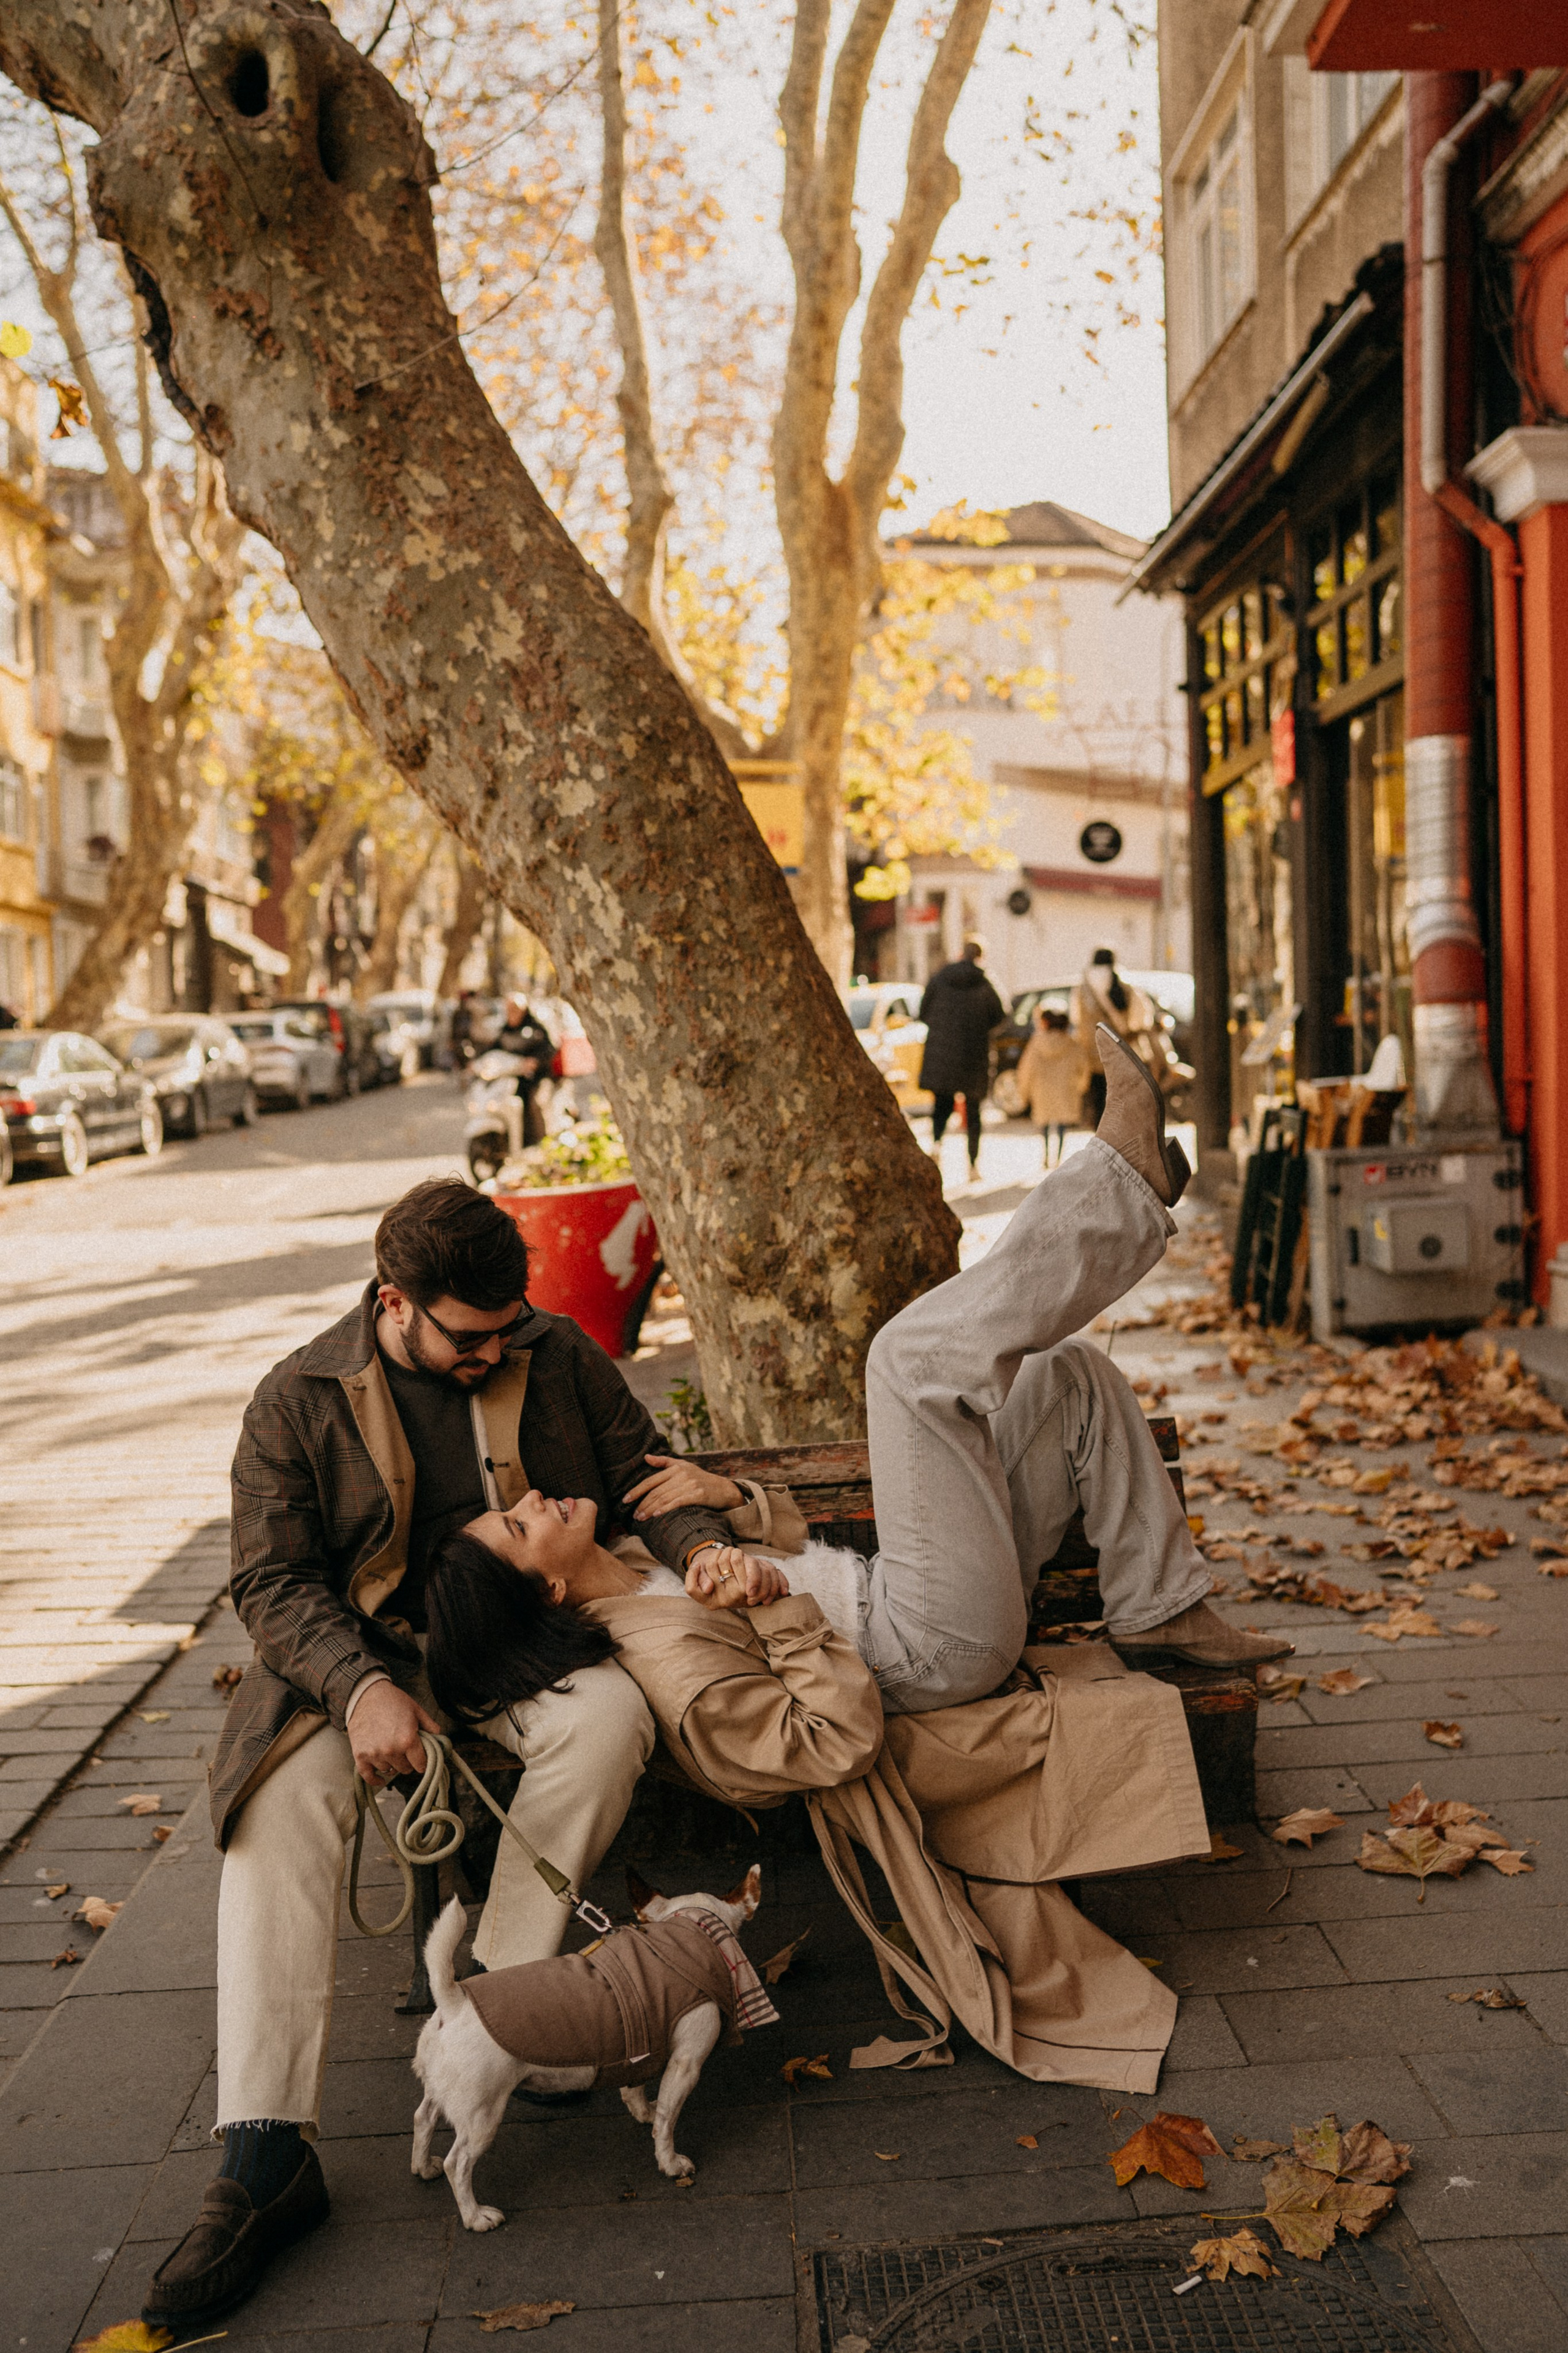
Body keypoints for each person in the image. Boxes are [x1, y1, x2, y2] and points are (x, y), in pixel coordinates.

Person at [422, 1031, 1294, 2088]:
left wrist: (733, 1506)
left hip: (913, 1597)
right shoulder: (664, 1667)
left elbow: (794, 1544)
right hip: (924, 1645)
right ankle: (1123, 1186)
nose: (524, 1499)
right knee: (907, 1363)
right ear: (547, 1589)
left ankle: (1158, 1602)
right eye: (517, 1526)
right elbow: (829, 1742)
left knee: (1063, 1377)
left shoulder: (636, 1541)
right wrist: (779, 1611)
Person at [143, 1179, 737, 2337]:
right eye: (470, 1334)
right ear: (393, 1303)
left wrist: (705, 1547)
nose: (494, 1350)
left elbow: (650, 1476)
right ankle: (264, 2157)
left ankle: (510, 2018)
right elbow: (270, 1583)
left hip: (525, 1651)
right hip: (359, 1671)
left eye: (507, 1326)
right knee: (273, 1813)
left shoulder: (556, 1354)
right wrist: (361, 1684)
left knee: (609, 1717)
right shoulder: (296, 1399)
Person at [918, 937, 1006, 1180]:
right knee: (974, 1112)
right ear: (980, 957)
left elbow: (923, 1012)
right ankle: (973, 1165)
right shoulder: (986, 983)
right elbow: (1000, 1016)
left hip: (942, 1053)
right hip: (973, 1053)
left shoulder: (939, 979)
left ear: (960, 954)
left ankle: (936, 1146)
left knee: (941, 1106)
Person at [1071, 948, 1169, 1129]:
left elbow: (1076, 1019)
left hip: (1091, 1052)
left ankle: (1099, 1133)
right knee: (1119, 1095)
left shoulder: (1082, 988)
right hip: (1119, 1049)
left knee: (1098, 1096)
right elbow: (1141, 1017)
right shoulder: (1124, 984)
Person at [1015, 1004, 1083, 1167]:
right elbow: (1082, 1068)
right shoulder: (1073, 1044)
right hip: (1065, 1091)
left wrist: (1024, 1092)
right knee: (1061, 1126)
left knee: (1044, 1125)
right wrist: (1081, 1087)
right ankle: (1058, 1158)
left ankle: (1045, 1157)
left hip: (1041, 1090)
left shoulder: (1036, 1043)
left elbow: (1026, 1069)